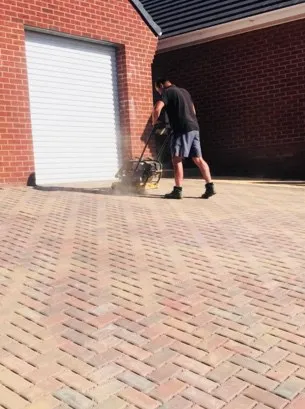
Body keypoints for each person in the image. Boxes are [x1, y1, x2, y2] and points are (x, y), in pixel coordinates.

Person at [152, 78, 215, 199]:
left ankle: (177, 190)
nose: (159, 93)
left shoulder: (167, 92)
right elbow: (194, 110)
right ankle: (210, 186)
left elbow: (157, 108)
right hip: (194, 127)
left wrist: (155, 123)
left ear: (161, 86)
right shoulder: (184, 91)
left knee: (176, 158)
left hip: (181, 129)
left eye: (158, 90)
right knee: (198, 159)